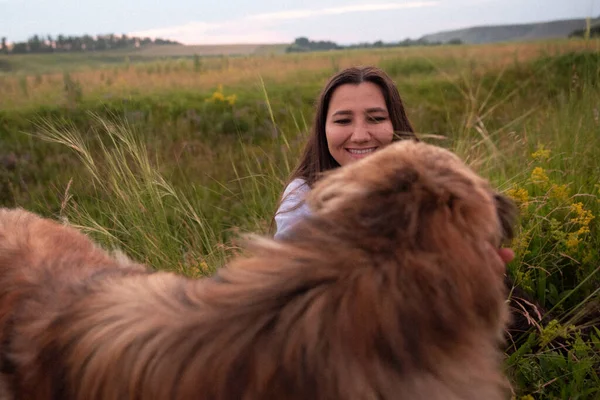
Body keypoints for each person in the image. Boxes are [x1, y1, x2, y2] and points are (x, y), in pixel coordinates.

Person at [272, 65, 514, 264]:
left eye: (376, 119)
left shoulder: (434, 184)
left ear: (395, 123)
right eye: (343, 120)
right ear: (323, 129)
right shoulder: (302, 197)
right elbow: (287, 283)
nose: (360, 135)